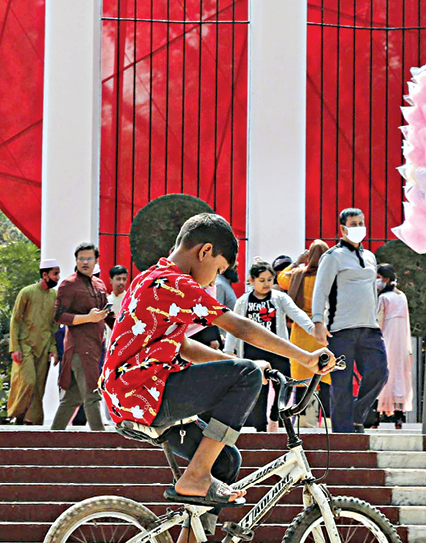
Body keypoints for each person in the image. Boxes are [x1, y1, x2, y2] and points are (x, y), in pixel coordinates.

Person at [101, 213, 330, 510]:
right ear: (205, 251)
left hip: (128, 396)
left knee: (226, 461)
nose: (214, 280)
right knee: (247, 375)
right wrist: (306, 357)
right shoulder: (175, 283)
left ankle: (192, 536)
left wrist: (229, 363)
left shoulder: (150, 277)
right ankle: (196, 475)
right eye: (218, 270)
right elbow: (241, 327)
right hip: (145, 392)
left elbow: (183, 346)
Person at [312, 208, 389, 431]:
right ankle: (343, 435)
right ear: (343, 229)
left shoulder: (370, 256)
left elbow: (372, 291)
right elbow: (320, 290)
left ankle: (358, 412)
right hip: (340, 330)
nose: (359, 227)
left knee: (379, 372)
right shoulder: (332, 257)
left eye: (361, 223)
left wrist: (375, 318)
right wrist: (318, 322)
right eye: (354, 224)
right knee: (341, 384)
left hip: (369, 329)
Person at [224, 260, 320, 429]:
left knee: (285, 385)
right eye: (261, 280)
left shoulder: (280, 298)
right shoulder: (243, 301)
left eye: (270, 279)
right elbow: (234, 327)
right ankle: (260, 429)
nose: (266, 284)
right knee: (258, 393)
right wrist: (228, 350)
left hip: (278, 352)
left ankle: (275, 414)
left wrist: (312, 328)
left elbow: (296, 313)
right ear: (251, 280)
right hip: (253, 354)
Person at [51, 243, 112, 431]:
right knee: (92, 395)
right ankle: (101, 441)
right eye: (81, 259)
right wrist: (87, 318)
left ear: (96, 261)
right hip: (78, 348)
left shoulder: (99, 284)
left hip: (95, 348)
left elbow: (107, 315)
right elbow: (58, 316)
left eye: (89, 258)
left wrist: (126, 329)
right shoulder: (68, 284)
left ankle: (52, 439)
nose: (85, 262)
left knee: (72, 398)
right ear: (76, 261)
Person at [5, 259, 60, 425]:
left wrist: (53, 348)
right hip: (25, 345)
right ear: (45, 275)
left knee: (39, 386)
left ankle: (32, 421)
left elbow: (54, 325)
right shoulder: (27, 292)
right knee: (28, 381)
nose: (58, 277)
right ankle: (16, 412)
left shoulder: (54, 296)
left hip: (44, 345)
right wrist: (14, 347)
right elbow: (15, 320)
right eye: (55, 274)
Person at [276, 241, 332, 390]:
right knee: (325, 373)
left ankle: (302, 404)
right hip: (323, 329)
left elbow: (281, 279)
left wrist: (297, 261)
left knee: (301, 375)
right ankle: (325, 406)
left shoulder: (298, 275)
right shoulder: (330, 277)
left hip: (301, 328)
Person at [373, 264, 414, 426]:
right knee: (398, 376)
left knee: (381, 374)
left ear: (386, 279)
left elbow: (379, 322)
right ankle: (399, 417)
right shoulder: (402, 296)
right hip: (401, 342)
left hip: (386, 339)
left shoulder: (383, 298)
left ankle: (375, 417)